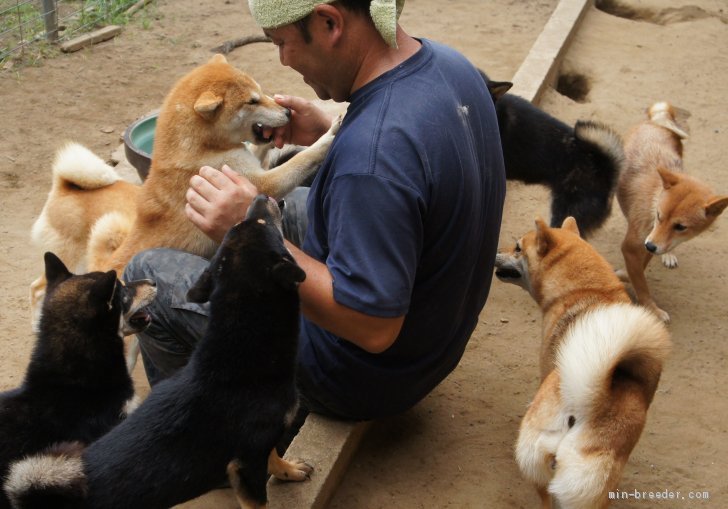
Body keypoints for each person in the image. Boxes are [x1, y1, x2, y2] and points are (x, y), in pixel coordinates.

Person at [125, 0, 506, 422]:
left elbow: (373, 329)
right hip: (434, 342)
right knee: (290, 203)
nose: (284, 60)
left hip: (358, 376)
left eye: (283, 42)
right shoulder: (451, 66)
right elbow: (411, 162)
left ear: (329, 22)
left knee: (147, 272)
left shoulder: (373, 159)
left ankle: (211, 439)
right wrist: (332, 129)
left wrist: (250, 231)